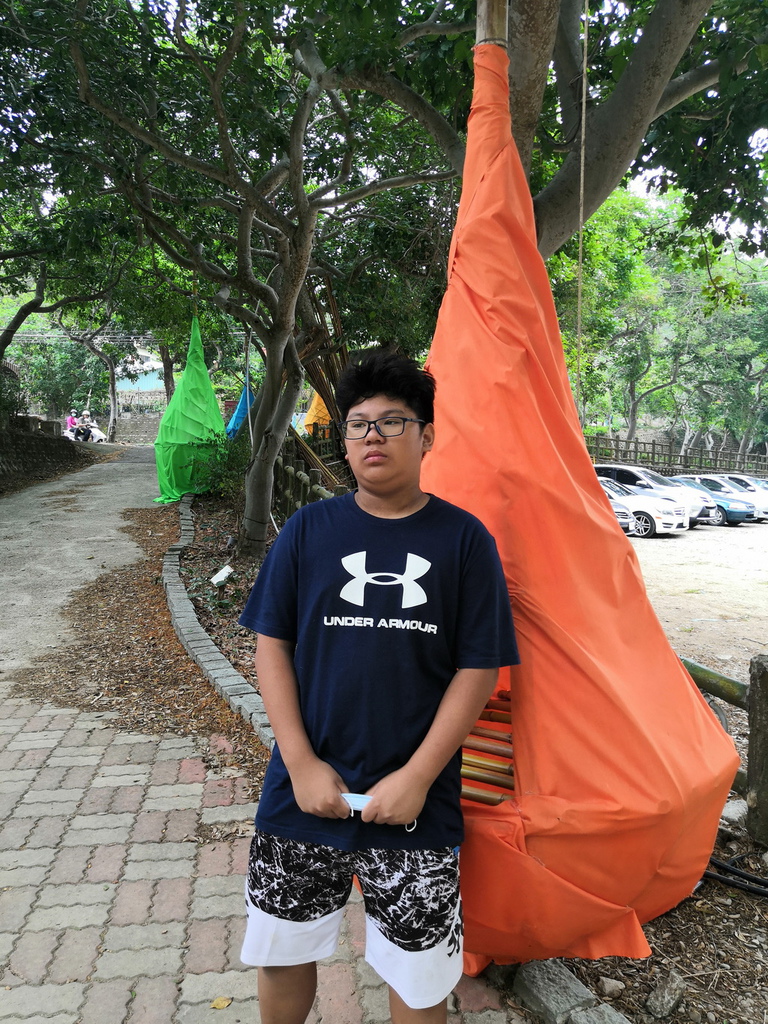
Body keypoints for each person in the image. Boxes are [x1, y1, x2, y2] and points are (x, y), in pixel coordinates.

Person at [238, 350, 519, 1024]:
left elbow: (478, 668)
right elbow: (271, 646)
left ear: (427, 436)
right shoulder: (308, 531)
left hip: (417, 802)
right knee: (280, 953)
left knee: (419, 977)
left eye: (393, 422)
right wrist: (301, 764)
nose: (373, 436)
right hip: (304, 794)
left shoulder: (464, 541)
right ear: (344, 440)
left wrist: (418, 776)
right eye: (359, 423)